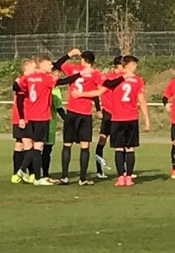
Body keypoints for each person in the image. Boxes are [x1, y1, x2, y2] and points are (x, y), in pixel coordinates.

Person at [74, 55, 150, 187]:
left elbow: (98, 92)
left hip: (117, 118)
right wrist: (147, 119)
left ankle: (121, 177)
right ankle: (128, 177)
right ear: (130, 65)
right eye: (134, 64)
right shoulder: (138, 80)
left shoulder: (114, 80)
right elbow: (142, 101)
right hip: (131, 118)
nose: (135, 67)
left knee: (119, 148)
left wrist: (81, 94)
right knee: (130, 148)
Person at [18, 52, 81, 186]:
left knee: (35, 146)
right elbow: (63, 81)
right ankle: (29, 173)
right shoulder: (45, 78)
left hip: (31, 116)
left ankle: (30, 173)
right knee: (38, 147)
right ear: (41, 65)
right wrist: (80, 74)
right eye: (49, 64)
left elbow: (19, 89)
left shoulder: (29, 78)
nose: (51, 66)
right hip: (41, 116)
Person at [52, 49, 103, 186]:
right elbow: (98, 92)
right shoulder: (96, 74)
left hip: (72, 112)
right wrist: (98, 109)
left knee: (67, 144)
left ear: (83, 60)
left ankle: (64, 177)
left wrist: (69, 54)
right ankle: (82, 179)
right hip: (85, 113)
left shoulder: (74, 69)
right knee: (84, 146)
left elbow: (56, 65)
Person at [95, 55, 124, 178]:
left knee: (121, 142)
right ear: (119, 65)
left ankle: (123, 171)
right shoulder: (108, 78)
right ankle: (99, 170)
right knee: (102, 140)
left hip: (120, 113)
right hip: (108, 112)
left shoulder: (125, 78)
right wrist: (98, 109)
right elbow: (96, 93)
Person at [11, 59, 36, 184]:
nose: (35, 70)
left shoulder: (20, 79)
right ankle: (30, 173)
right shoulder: (24, 80)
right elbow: (20, 99)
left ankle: (16, 174)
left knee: (19, 144)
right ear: (27, 67)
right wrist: (22, 117)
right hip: (23, 117)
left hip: (17, 117)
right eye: (34, 67)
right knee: (29, 144)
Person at [42, 78, 67, 182]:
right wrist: (68, 120)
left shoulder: (39, 85)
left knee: (34, 148)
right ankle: (45, 174)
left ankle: (32, 173)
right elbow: (59, 108)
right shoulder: (54, 90)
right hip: (49, 123)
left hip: (35, 121)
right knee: (46, 150)